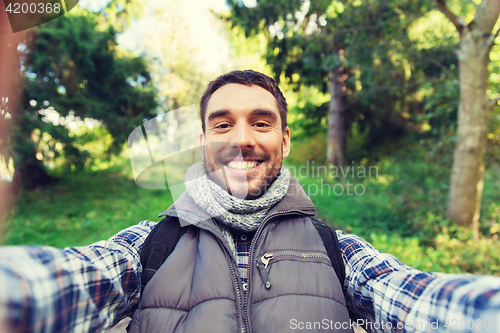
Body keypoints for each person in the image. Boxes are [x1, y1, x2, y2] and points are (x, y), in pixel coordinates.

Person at [1, 70, 500, 333]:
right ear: (203, 142)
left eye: (261, 122)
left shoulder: (336, 249)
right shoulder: (148, 244)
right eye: (222, 124)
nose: (242, 139)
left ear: (283, 142)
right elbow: (67, 280)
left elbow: (414, 298)